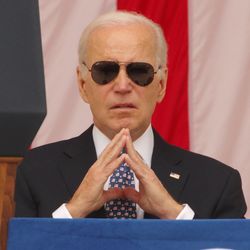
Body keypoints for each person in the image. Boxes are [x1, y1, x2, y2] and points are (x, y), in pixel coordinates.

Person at [15, 11, 246, 219]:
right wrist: (73, 210)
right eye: (105, 71)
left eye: (139, 71)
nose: (123, 85)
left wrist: (174, 214)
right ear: (83, 84)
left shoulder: (218, 184)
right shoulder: (34, 173)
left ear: (162, 84)